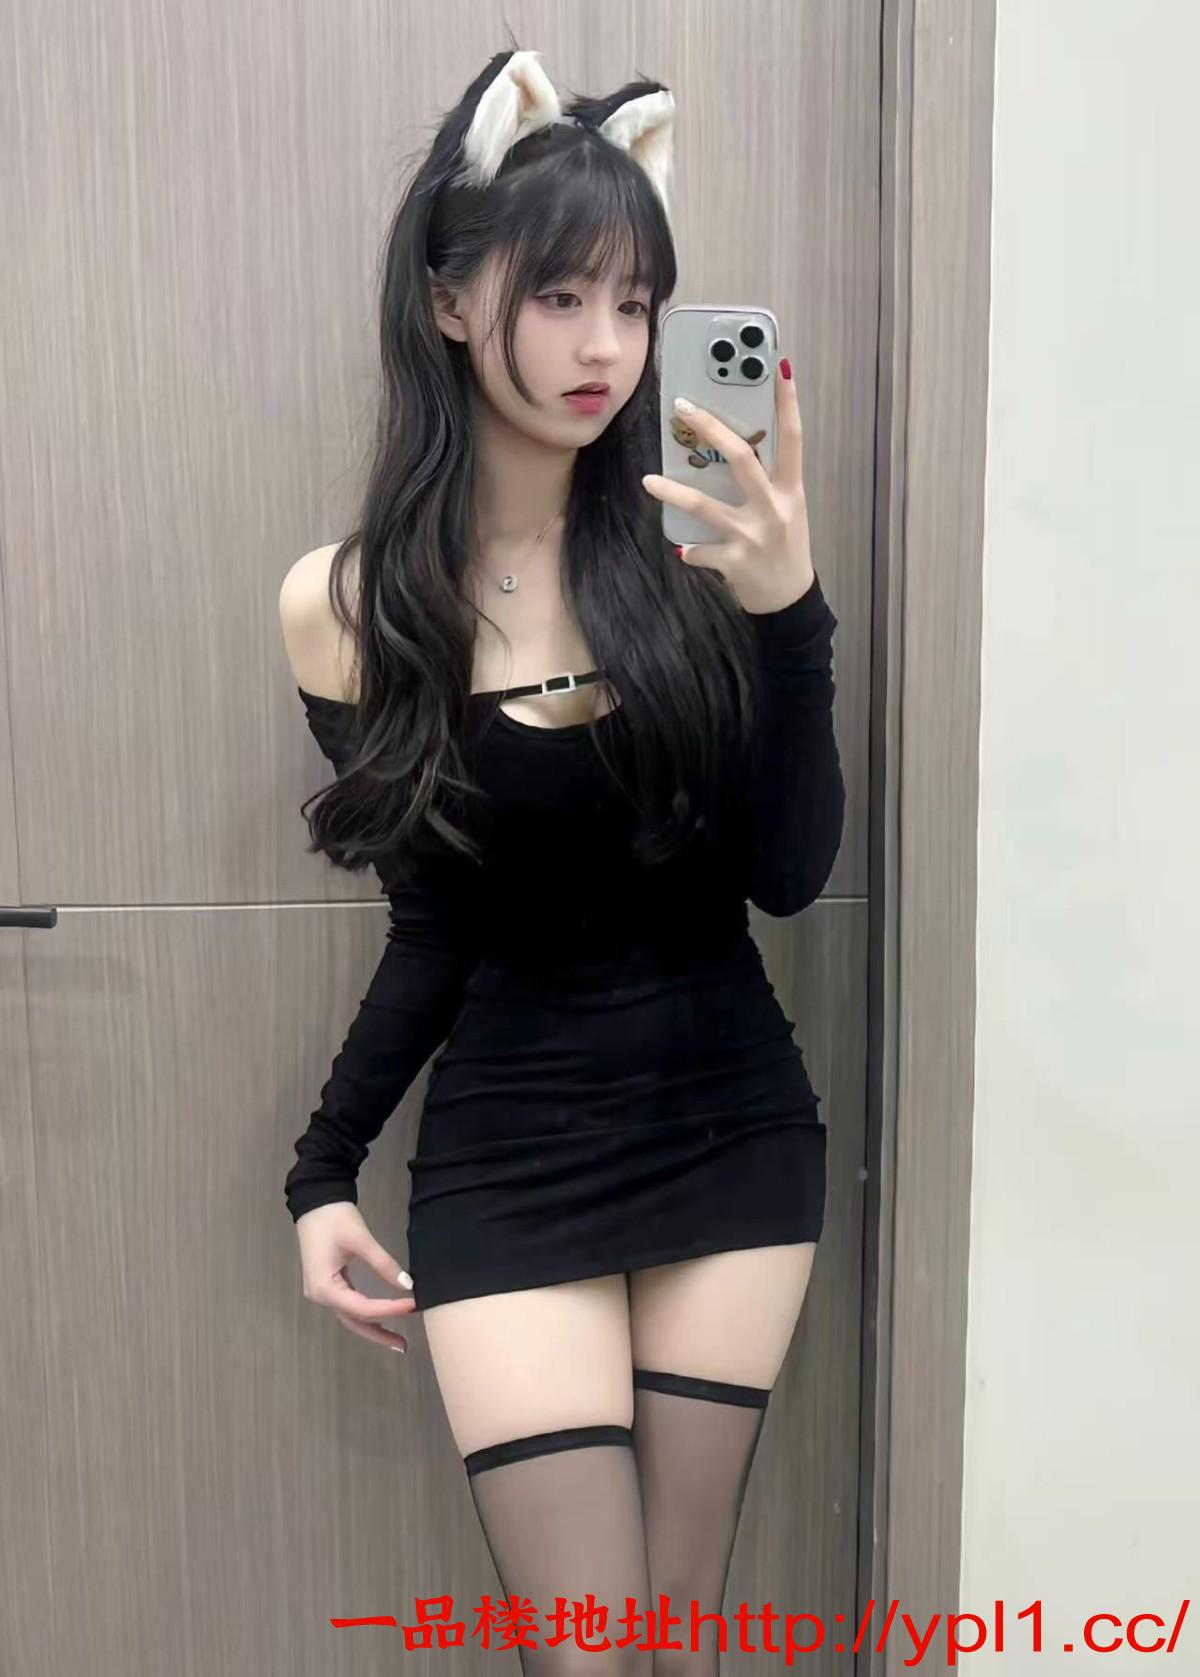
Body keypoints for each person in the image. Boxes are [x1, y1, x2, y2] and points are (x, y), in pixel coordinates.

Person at [278, 44, 845, 1677]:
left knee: (677, 1635)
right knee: (582, 1653)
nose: (607, 347)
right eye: (561, 296)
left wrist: (789, 616)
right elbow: (434, 923)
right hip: (511, 1150)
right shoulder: (349, 604)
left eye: (636, 303)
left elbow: (789, 874)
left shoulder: (703, 557)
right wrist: (322, 1173)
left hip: (731, 1123)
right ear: (453, 300)